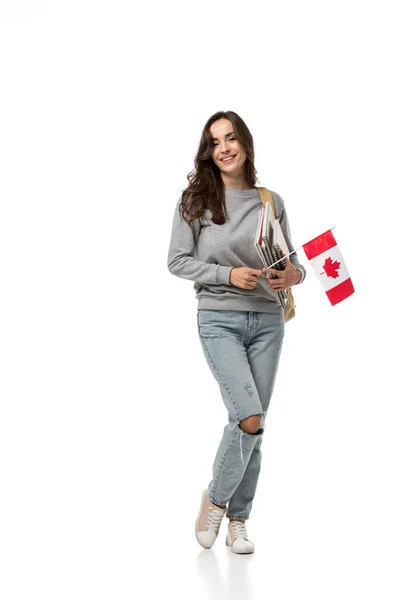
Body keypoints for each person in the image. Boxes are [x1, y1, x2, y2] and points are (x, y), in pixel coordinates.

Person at [167, 110, 306, 554]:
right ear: (208, 151)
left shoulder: (270, 200)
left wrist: (293, 276)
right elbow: (177, 261)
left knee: (256, 425)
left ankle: (239, 522)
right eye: (215, 142)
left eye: (231, 138)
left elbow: (292, 260)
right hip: (219, 318)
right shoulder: (196, 200)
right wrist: (229, 276)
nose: (224, 148)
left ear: (245, 143)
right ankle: (216, 500)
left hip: (267, 321)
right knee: (247, 414)